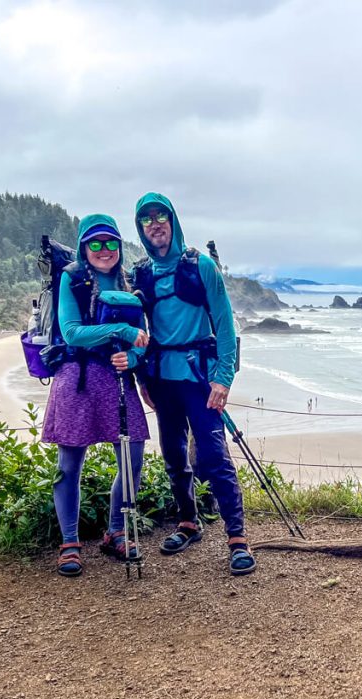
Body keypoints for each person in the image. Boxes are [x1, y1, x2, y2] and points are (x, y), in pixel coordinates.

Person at [130, 192, 256, 576]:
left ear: (172, 220)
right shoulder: (142, 274)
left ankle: (237, 538)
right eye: (147, 219)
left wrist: (223, 378)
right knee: (173, 455)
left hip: (200, 378)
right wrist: (142, 378)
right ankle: (188, 523)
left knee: (214, 456)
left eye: (161, 216)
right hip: (163, 379)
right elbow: (139, 331)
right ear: (141, 228)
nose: (155, 223)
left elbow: (225, 325)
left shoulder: (201, 266)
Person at [41, 214, 150, 577]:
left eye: (111, 243)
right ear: (84, 247)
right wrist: (120, 330)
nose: (104, 250)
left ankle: (116, 532)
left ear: (119, 246)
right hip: (77, 375)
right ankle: (69, 542)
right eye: (96, 244)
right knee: (69, 464)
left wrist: (131, 356)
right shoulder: (71, 279)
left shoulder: (127, 283)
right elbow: (71, 333)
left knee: (133, 456)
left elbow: (142, 340)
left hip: (115, 378)